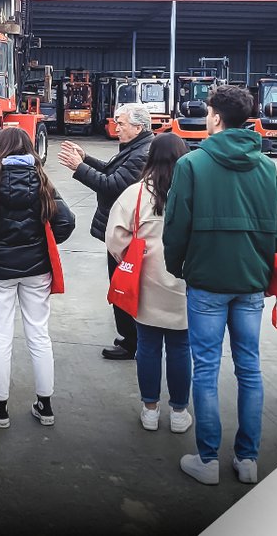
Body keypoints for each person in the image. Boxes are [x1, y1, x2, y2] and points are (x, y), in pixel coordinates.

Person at [162, 85, 277, 486]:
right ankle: (247, 459)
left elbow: (176, 226)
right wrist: (270, 268)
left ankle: (208, 458)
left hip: (207, 281)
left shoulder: (193, 164)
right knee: (249, 367)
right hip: (251, 280)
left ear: (215, 117)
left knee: (206, 368)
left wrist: (177, 265)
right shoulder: (267, 167)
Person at [0, 128, 75, 429]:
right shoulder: (42, 181)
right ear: (28, 147)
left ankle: (0, 409)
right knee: (39, 335)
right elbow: (66, 221)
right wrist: (42, 244)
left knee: (0, 337)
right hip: (37, 271)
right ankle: (45, 405)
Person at [105, 133, 193, 434]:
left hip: (147, 283)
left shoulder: (136, 194)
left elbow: (115, 238)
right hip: (185, 284)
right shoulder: (196, 191)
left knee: (148, 346)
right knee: (181, 348)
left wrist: (130, 259)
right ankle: (180, 411)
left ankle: (150, 409)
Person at [58, 103, 153, 361]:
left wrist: (79, 167)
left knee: (124, 284)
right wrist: (86, 158)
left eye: (121, 123)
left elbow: (113, 185)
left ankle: (131, 341)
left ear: (138, 127)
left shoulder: (142, 154)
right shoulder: (134, 148)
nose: (116, 127)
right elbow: (112, 170)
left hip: (126, 234)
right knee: (119, 283)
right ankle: (128, 337)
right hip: (120, 231)